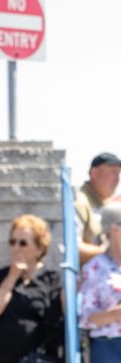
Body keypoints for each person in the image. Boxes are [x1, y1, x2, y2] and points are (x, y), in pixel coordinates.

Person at [0, 214, 63, 362]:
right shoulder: (0, 275)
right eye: (13, 242)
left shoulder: (52, 280)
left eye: (23, 243)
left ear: (40, 249)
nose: (16, 247)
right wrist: (12, 277)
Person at [81, 204, 121, 361]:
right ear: (115, 229)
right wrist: (115, 314)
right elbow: (86, 318)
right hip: (108, 347)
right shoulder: (95, 268)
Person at [77, 153, 121, 264]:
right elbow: (72, 248)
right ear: (94, 173)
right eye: (113, 172)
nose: (117, 179)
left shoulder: (108, 203)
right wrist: (107, 253)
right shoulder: (80, 201)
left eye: (118, 173)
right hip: (89, 277)